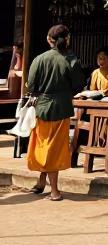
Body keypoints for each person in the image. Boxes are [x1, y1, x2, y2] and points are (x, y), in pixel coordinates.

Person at [25, 24, 86, 200]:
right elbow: (78, 86)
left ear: (48, 39)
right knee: (54, 148)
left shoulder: (39, 59)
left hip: (42, 108)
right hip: (62, 108)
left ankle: (47, 186)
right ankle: (51, 188)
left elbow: (31, 86)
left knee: (44, 146)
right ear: (67, 39)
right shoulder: (71, 60)